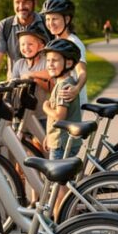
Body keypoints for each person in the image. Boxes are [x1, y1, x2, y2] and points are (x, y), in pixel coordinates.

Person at [40, 38, 82, 218]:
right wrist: (49, 136)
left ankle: (62, 222)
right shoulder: (67, 82)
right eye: (48, 60)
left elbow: (59, 116)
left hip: (62, 143)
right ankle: (63, 220)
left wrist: (45, 107)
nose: (50, 64)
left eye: (55, 60)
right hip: (61, 140)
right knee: (62, 185)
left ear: (69, 62)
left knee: (59, 187)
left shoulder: (64, 86)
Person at [0, 0, 45, 85]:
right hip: (14, 89)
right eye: (17, 2)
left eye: (26, 2)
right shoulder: (4, 26)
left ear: (35, 2)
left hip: (44, 87)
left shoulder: (46, 24)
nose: (21, 6)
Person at [41, 0, 88, 106]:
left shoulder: (73, 42)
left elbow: (82, 71)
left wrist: (76, 89)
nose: (50, 23)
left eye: (55, 19)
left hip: (72, 99)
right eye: (48, 19)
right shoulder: (56, 41)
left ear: (67, 19)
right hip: (62, 96)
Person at [11, 20, 52, 127]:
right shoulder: (19, 64)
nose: (26, 48)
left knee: (40, 143)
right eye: (22, 44)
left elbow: (51, 79)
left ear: (41, 46)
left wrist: (33, 76)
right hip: (21, 116)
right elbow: (12, 86)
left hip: (43, 117)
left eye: (30, 44)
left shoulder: (46, 61)